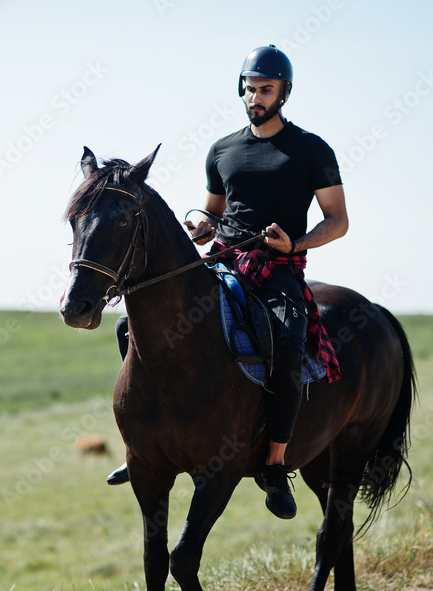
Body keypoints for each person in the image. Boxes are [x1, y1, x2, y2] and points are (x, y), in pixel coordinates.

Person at [107, 45, 348, 520]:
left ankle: (275, 462)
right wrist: (204, 228)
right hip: (223, 261)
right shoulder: (222, 150)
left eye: (265, 90)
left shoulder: (311, 149)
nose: (254, 97)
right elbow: (215, 213)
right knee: (128, 328)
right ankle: (143, 441)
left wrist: (295, 244)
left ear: (284, 93)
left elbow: (337, 220)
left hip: (277, 268)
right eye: (249, 88)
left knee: (287, 341)